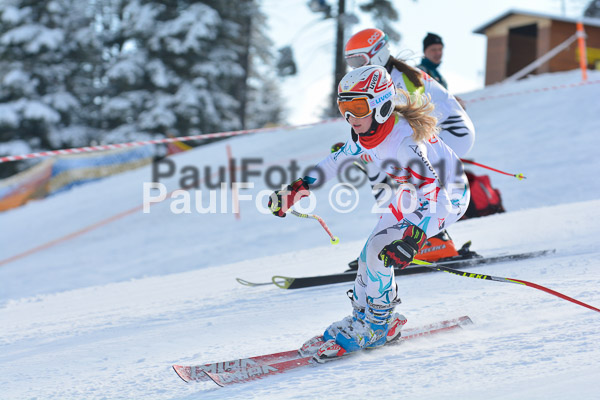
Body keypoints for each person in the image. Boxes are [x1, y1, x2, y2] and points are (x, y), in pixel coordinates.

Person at [268, 65, 470, 355]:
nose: (351, 117)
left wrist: (414, 239)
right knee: (369, 253)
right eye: (345, 108)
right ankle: (364, 317)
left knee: (379, 250)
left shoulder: (406, 144)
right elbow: (335, 161)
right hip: (413, 192)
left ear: (382, 105)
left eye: (359, 107)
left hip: (447, 196)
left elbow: (436, 197)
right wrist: (299, 188)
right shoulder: (364, 133)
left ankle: (377, 325)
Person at [343, 27, 475, 261]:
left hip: (452, 132)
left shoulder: (399, 79)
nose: (356, 69)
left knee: (405, 175)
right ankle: (404, 235)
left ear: (378, 54)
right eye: (351, 63)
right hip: (437, 132)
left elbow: (396, 126)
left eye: (359, 61)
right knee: (381, 169)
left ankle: (432, 239)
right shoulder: (387, 76)